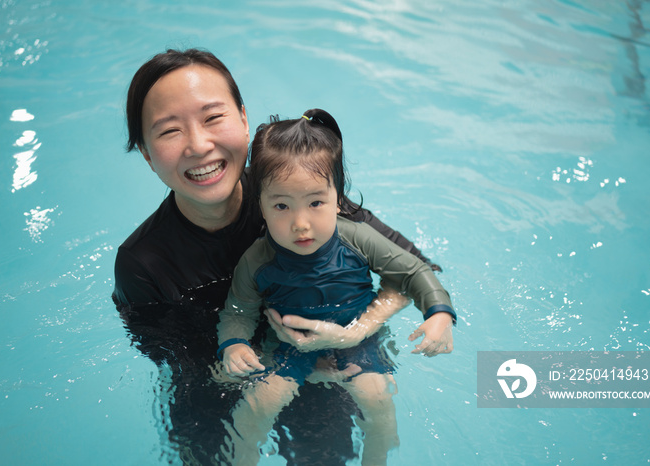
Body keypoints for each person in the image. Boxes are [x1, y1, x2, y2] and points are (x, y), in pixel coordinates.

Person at [114, 48, 454, 464]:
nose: (199, 145)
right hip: (228, 385)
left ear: (242, 118)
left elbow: (416, 269)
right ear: (147, 154)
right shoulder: (142, 262)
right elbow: (180, 368)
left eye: (212, 117)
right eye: (169, 131)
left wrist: (354, 333)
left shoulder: (295, 192)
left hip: (335, 356)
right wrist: (262, 363)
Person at [216, 109, 455, 464]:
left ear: (337, 198)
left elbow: (414, 272)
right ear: (260, 207)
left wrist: (439, 314)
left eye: (316, 203)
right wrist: (233, 344)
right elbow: (238, 309)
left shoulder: (357, 237)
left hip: (359, 337)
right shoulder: (256, 259)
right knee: (257, 405)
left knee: (378, 401)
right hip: (288, 346)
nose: (301, 224)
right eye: (281, 205)